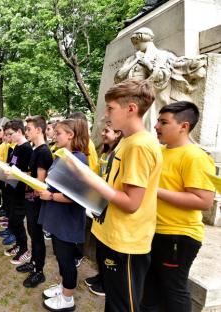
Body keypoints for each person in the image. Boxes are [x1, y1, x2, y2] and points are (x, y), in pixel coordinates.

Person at [77, 79, 162, 311]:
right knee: (113, 301)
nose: (106, 115)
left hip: (126, 241)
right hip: (112, 233)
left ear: (131, 109)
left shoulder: (139, 145)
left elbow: (132, 202)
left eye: (111, 108)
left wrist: (89, 179)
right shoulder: (127, 141)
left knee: (122, 305)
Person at [141, 102, 216, 312]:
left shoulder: (196, 157)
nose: (156, 126)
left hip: (178, 236)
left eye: (163, 122)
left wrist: (153, 190)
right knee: (150, 288)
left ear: (184, 126)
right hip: (155, 231)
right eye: (158, 121)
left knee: (174, 290)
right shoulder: (161, 151)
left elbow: (204, 201)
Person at [38, 119, 89, 311]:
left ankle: (68, 299)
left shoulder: (78, 159)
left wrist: (50, 195)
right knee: (60, 256)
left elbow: (76, 196)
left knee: (67, 259)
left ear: (71, 135)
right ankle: (63, 287)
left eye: (58, 133)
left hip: (67, 220)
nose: (53, 136)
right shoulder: (63, 156)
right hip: (58, 218)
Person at [85, 121, 122, 297]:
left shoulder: (119, 154)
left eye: (107, 131)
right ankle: (101, 276)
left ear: (118, 133)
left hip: (109, 206)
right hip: (99, 204)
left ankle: (107, 283)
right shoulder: (106, 153)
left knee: (108, 253)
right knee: (99, 247)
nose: (103, 134)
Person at [18, 116, 54, 288]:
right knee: (32, 233)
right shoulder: (35, 149)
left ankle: (39, 271)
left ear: (39, 130)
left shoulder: (43, 152)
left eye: (29, 129)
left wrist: (21, 177)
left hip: (36, 201)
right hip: (30, 200)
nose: (27, 132)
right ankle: (33, 262)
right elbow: (32, 175)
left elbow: (39, 183)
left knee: (37, 236)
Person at [2, 119, 33, 266]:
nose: (8, 137)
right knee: (12, 220)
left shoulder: (27, 149)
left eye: (10, 134)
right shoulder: (17, 148)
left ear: (19, 132)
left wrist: (14, 174)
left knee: (17, 221)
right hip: (11, 188)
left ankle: (25, 249)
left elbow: (27, 173)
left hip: (20, 192)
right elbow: (13, 164)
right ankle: (19, 245)